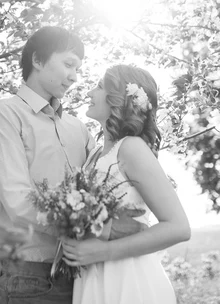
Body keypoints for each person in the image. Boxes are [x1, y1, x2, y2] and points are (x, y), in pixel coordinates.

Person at [0, 27, 144, 304]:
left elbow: (107, 180)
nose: (75, 77)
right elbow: (17, 202)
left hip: (84, 271)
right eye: (68, 64)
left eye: (78, 68)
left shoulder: (77, 127)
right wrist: (103, 230)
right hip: (31, 271)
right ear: (38, 61)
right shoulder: (4, 114)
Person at [62, 64, 191, 304]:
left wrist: (103, 251)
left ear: (120, 98)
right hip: (93, 278)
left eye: (99, 86)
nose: (89, 93)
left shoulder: (131, 148)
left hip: (128, 281)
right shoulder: (95, 156)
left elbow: (179, 227)